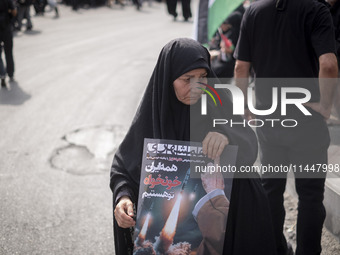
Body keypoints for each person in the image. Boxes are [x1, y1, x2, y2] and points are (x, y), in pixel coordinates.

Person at [110, 38, 277, 255]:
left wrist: (226, 135)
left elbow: (249, 144)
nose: (197, 86)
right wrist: (123, 196)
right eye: (187, 79)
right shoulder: (154, 115)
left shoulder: (218, 101)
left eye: (203, 77)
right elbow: (124, 167)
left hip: (223, 223)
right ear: (168, 79)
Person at [234, 0, 338, 254]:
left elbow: (240, 67)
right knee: (311, 196)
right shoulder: (315, 9)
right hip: (307, 120)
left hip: (269, 120)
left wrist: (243, 107)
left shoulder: (254, 11)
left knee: (271, 191)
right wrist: (325, 106)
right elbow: (329, 64)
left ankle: (274, 249)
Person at [209, 11, 242, 79]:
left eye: (225, 23)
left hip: (229, 65)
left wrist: (228, 51)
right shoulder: (222, 33)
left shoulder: (236, 34)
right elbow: (215, 46)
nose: (221, 25)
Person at [0, 0, 16, 89]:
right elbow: (14, 12)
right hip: (6, 28)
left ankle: (2, 74)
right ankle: (10, 74)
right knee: (8, 53)